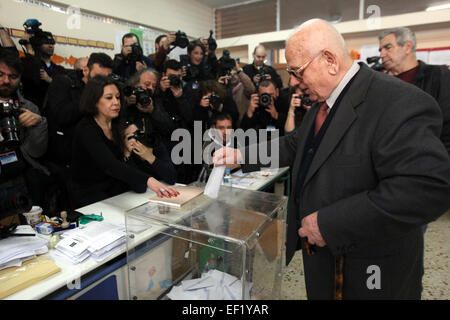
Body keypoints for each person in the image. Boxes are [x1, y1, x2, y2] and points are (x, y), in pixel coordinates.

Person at [213, 19, 450, 300]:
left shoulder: (398, 102)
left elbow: (427, 189)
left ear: (330, 60)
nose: (294, 83)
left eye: (297, 72)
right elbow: (296, 144)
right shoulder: (322, 104)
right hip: (324, 263)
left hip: (369, 270)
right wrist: (241, 155)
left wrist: (331, 223)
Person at [70, 75, 178, 208]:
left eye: (117, 97)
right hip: (90, 197)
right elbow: (110, 165)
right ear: (94, 101)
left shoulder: (117, 124)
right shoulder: (86, 128)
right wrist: (149, 180)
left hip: (116, 193)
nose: (116, 102)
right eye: (109, 98)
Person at [378, 27, 450, 155]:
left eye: (387, 48)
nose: (382, 55)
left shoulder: (438, 76)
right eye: (380, 50)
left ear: (407, 47)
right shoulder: (380, 83)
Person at [0, 48, 48, 216]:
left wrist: (39, 123)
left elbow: (35, 152)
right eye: (1, 74)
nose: (6, 81)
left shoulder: (28, 107)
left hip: (22, 181)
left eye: (13, 76)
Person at [44, 53, 113, 167]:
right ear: (85, 70)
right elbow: (62, 116)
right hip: (65, 156)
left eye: (106, 78)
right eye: (98, 77)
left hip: (93, 154)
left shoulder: (107, 90)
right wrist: (90, 96)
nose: (102, 82)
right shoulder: (63, 82)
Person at [19, 29, 65, 110]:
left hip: (53, 111)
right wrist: (29, 51)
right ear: (38, 45)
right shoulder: (27, 62)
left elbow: (64, 89)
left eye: (52, 43)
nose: (51, 46)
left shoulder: (59, 69)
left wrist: (50, 80)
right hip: (32, 110)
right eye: (46, 43)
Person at [217, 59, 255, 127]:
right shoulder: (222, 86)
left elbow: (251, 90)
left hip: (242, 125)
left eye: (233, 71)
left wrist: (238, 70)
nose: (232, 74)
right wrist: (218, 86)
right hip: (226, 126)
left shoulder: (243, 86)